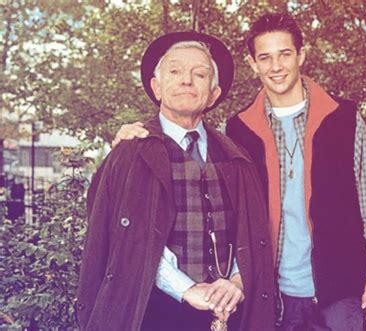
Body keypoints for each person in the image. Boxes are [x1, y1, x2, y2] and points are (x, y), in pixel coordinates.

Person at [114, 13, 366, 331]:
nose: (276, 67)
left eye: (285, 54)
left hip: (339, 292)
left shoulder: (344, 119)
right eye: (265, 57)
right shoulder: (237, 131)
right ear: (252, 63)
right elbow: (207, 190)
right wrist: (132, 137)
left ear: (301, 55)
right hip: (268, 291)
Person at [76, 31, 275, 331]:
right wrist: (185, 288)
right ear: (156, 87)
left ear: (213, 93)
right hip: (151, 313)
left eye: (199, 74)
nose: (186, 80)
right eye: (175, 71)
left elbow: (251, 233)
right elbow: (121, 241)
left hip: (228, 314)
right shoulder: (129, 155)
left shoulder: (236, 157)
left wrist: (237, 280)